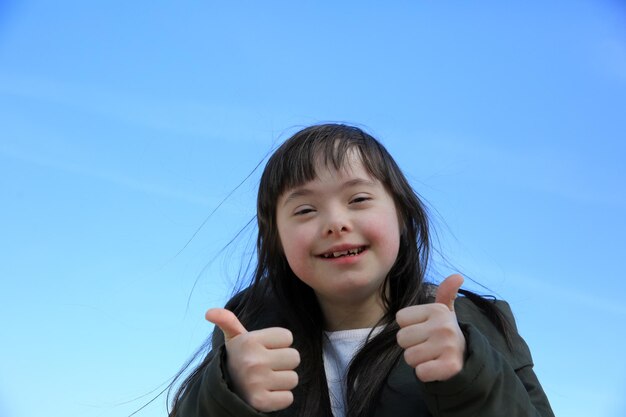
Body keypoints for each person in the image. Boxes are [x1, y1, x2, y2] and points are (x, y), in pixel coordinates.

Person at [168, 124, 554, 417]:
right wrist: (229, 393)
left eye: (358, 199)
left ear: (401, 214)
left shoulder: (478, 325)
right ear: (276, 240)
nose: (335, 222)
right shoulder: (248, 332)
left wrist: (469, 374)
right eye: (304, 209)